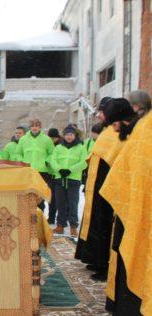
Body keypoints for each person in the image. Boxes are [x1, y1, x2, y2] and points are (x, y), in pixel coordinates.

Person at [99, 98, 146, 315]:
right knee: (123, 252)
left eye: (113, 123)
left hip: (139, 207)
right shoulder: (138, 129)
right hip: (129, 204)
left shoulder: (142, 130)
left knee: (133, 254)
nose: (113, 128)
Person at [75, 97, 125, 282]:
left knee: (103, 227)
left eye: (102, 112)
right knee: (94, 224)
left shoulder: (117, 132)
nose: (99, 115)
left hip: (106, 188)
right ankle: (95, 259)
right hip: (96, 187)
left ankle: (104, 265)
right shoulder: (107, 131)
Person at [49, 126, 87, 237]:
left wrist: (70, 170)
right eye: (67, 135)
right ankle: (60, 225)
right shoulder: (59, 147)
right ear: (64, 136)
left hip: (73, 179)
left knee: (73, 203)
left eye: (71, 135)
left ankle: (73, 226)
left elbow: (84, 162)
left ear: (74, 136)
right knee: (60, 203)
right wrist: (59, 169)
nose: (69, 137)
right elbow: (53, 160)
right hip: (60, 178)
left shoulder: (80, 148)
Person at [16, 119, 55, 211]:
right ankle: (28, 214)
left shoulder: (47, 139)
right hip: (27, 171)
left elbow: (52, 153)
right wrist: (22, 161)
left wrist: (47, 160)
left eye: (37, 126)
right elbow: (17, 153)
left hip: (42, 171)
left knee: (40, 194)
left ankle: (40, 213)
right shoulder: (23, 139)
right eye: (33, 126)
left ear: (40, 127)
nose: (35, 128)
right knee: (28, 193)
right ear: (30, 127)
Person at [46, 128, 61, 224]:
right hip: (50, 174)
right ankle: (51, 217)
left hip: (59, 174)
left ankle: (62, 218)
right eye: (50, 138)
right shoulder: (48, 144)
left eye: (53, 138)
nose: (52, 140)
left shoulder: (61, 145)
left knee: (60, 199)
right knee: (51, 198)